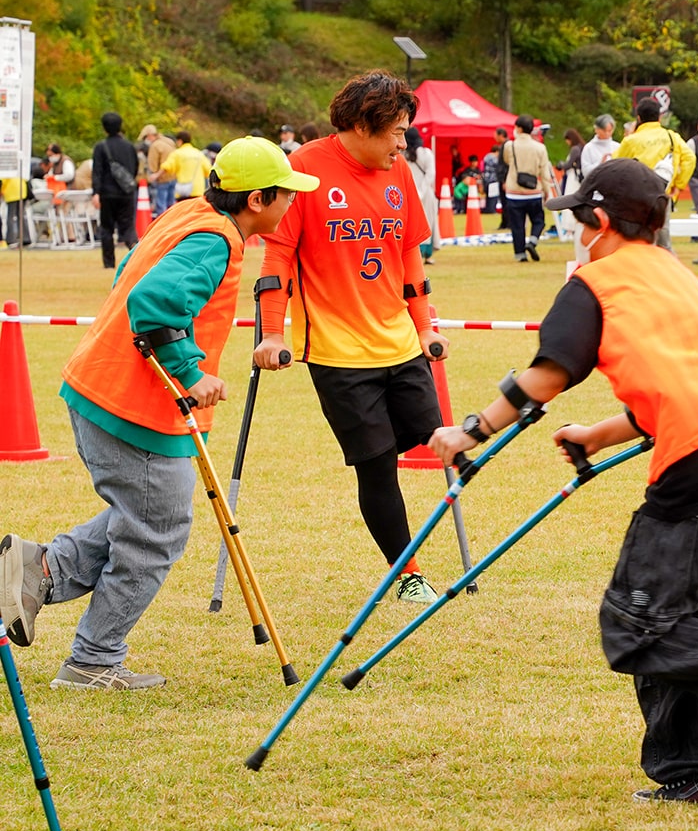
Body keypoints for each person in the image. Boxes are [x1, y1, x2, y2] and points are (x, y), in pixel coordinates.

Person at [427, 157, 698, 806]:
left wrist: (471, 431)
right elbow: (683, 378)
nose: (577, 234)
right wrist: (598, 434)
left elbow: (547, 373)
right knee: (691, 626)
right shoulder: (676, 276)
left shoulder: (596, 282)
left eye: (579, 221)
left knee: (638, 624)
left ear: (600, 221)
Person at [0, 136, 316, 689]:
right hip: (134, 406)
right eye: (286, 193)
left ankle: (37, 569)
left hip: (103, 389)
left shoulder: (189, 213)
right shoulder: (215, 240)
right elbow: (153, 304)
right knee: (157, 530)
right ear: (258, 199)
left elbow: (130, 273)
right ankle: (93, 660)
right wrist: (192, 373)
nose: (293, 201)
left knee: (144, 517)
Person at [254, 70, 450, 605]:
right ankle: (407, 574)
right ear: (364, 125)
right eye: (397, 132)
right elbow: (278, 257)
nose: (403, 144)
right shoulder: (304, 169)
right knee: (377, 466)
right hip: (338, 354)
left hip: (400, 343)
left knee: (440, 442)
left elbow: (409, 252)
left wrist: (425, 326)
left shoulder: (398, 171)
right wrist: (272, 334)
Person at [616, 99, 694, 250]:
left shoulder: (630, 140)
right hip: (662, 194)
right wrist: (678, 185)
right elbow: (690, 159)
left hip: (637, 197)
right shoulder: (672, 137)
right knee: (664, 243)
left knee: (637, 241)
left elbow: (616, 165)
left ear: (638, 118)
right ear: (659, 117)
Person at [502, 115, 556, 261]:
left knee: (517, 225)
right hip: (533, 191)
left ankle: (520, 254)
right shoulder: (540, 148)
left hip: (514, 191)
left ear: (518, 128)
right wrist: (546, 191)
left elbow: (507, 161)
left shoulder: (510, 146)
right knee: (539, 220)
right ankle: (532, 241)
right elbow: (544, 172)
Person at [92, 111, 142, 269]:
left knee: (107, 228)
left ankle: (109, 263)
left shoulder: (101, 147)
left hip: (107, 193)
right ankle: (137, 255)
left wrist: (96, 192)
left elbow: (97, 171)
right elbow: (135, 168)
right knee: (128, 226)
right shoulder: (129, 146)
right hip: (126, 192)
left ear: (104, 128)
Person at [405, 128, 439, 262]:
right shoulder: (426, 153)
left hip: (408, 193)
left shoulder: (402, 155)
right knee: (428, 222)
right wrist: (422, 191)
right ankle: (427, 254)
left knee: (412, 224)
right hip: (425, 193)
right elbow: (430, 174)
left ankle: (415, 254)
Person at [152, 131, 211, 203]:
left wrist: (156, 175)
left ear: (180, 141)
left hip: (183, 190)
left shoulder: (177, 153)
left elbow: (167, 166)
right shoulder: (199, 154)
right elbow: (208, 170)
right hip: (198, 190)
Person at [139, 125, 179, 218]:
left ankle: (163, 225)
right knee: (171, 205)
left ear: (149, 135)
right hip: (173, 176)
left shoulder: (155, 145)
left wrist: (152, 175)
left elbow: (152, 165)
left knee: (161, 207)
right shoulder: (169, 141)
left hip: (161, 178)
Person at [580, 114, 619, 180]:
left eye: (610, 131)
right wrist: (600, 164)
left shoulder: (617, 146)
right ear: (596, 129)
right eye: (604, 131)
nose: (607, 133)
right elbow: (585, 172)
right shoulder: (589, 148)